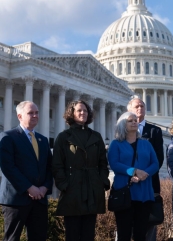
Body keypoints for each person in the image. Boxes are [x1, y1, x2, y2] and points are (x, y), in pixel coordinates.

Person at [52, 100, 110, 241]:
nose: (83, 113)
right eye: (79, 110)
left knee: (88, 234)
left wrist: (101, 181)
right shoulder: (63, 137)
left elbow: (103, 163)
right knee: (72, 234)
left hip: (92, 189)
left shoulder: (96, 136)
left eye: (85, 110)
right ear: (71, 113)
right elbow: (57, 165)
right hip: (72, 189)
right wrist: (64, 185)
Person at [0, 101, 53, 241]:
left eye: (36, 112)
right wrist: (29, 188)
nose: (35, 115)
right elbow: (8, 167)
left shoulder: (43, 140)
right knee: (12, 238)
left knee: (39, 237)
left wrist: (44, 187)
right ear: (19, 116)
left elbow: (49, 167)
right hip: (16, 198)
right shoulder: (7, 137)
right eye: (30, 113)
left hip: (40, 199)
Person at [108, 112, 159, 241]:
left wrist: (144, 174)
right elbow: (114, 164)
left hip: (144, 192)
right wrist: (134, 171)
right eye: (130, 121)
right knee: (123, 233)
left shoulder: (146, 144)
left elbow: (155, 163)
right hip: (124, 192)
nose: (134, 122)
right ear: (122, 124)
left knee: (141, 233)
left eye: (135, 120)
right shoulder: (116, 144)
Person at [127, 98, 164, 241]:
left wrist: (143, 175)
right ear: (129, 109)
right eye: (136, 106)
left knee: (149, 225)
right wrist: (132, 173)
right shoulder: (121, 131)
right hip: (128, 184)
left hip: (149, 184)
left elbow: (159, 159)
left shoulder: (155, 131)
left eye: (142, 106)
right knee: (126, 226)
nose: (140, 108)